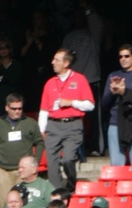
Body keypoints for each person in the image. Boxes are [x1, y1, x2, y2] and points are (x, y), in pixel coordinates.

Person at [40, 49, 94, 194]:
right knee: (51, 163)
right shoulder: (50, 83)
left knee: (68, 159)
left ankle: (70, 186)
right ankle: (57, 194)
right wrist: (41, 130)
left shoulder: (80, 79)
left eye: (56, 60)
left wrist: (72, 102)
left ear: (66, 63)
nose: (53, 62)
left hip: (73, 125)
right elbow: (44, 110)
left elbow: (90, 105)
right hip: (53, 125)